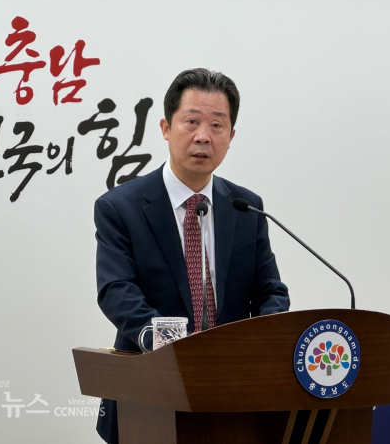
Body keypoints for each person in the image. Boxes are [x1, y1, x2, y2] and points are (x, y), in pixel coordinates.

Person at [93, 68, 290, 444]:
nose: (203, 136)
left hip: (235, 398)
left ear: (230, 137)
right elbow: (116, 290)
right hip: (150, 394)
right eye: (192, 121)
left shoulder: (246, 207)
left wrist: (261, 344)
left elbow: (271, 291)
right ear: (166, 128)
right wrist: (177, 352)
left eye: (217, 125)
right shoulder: (120, 207)